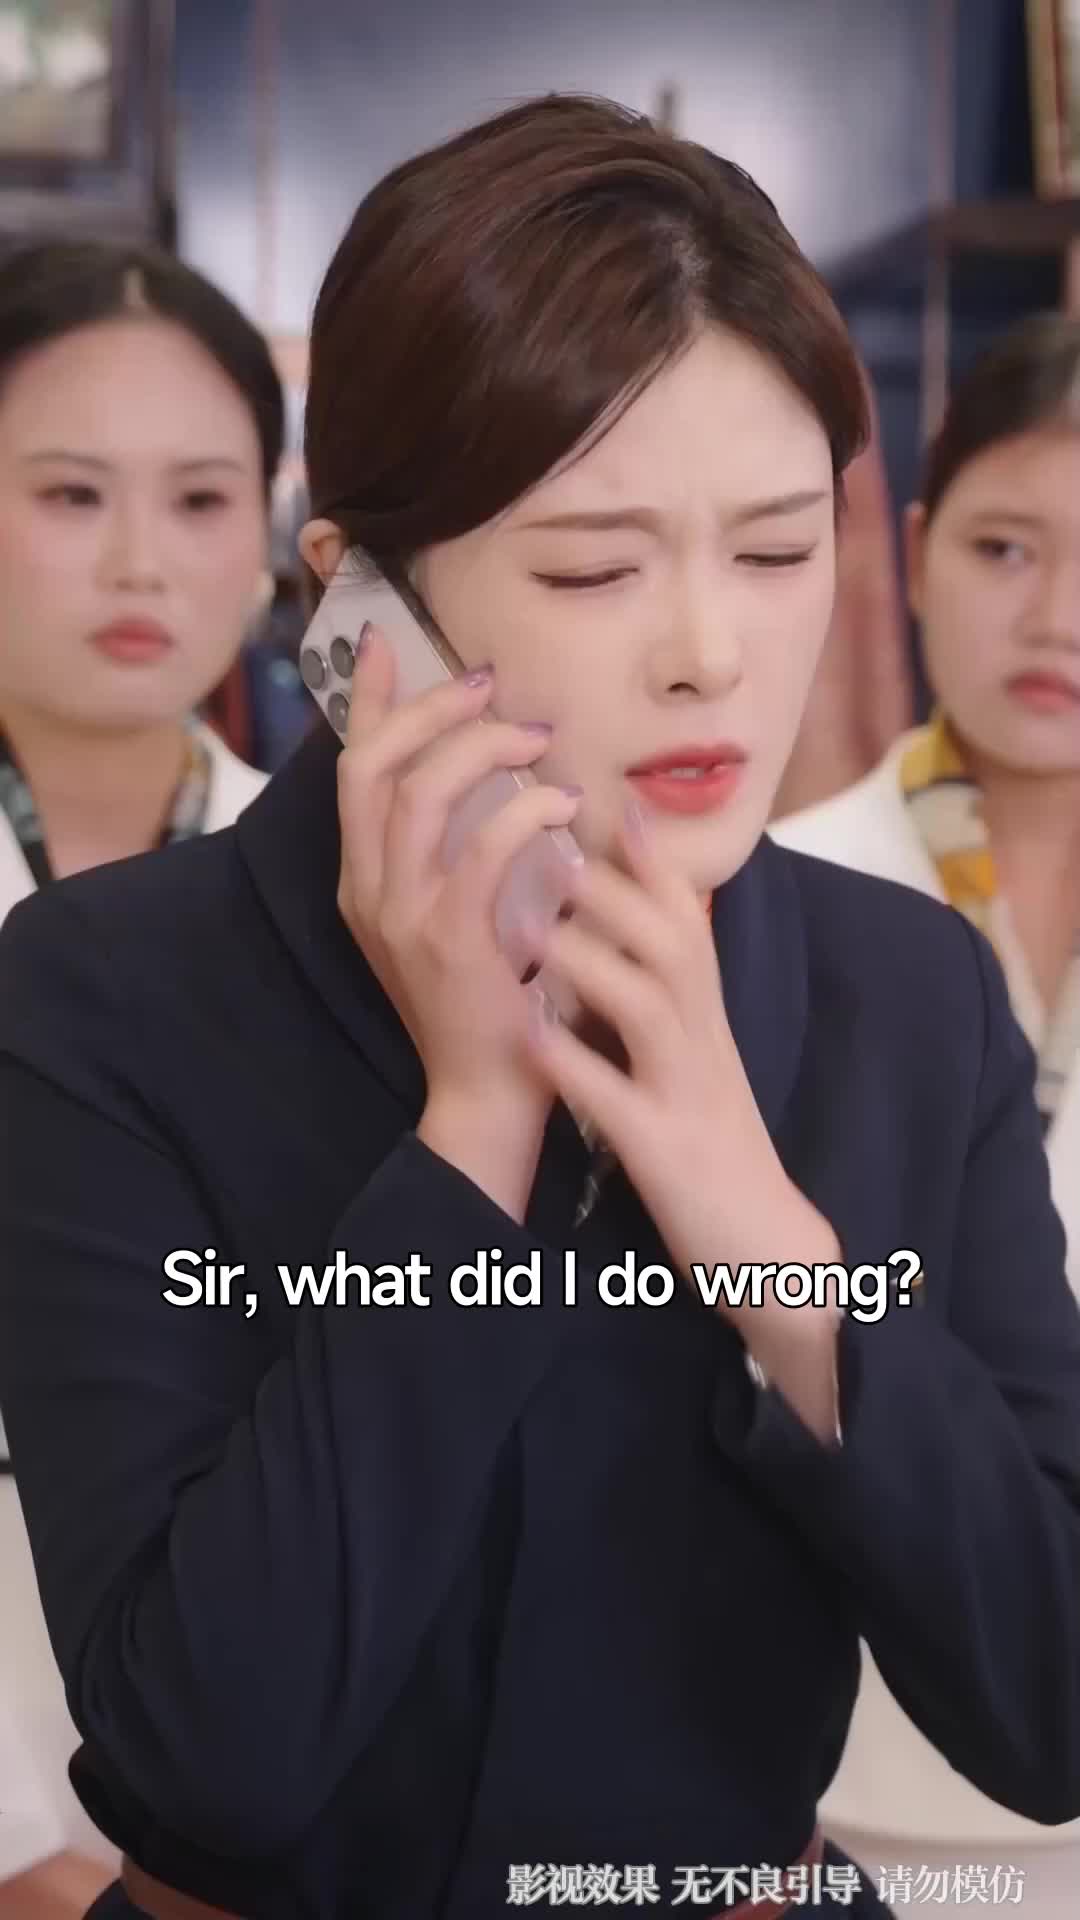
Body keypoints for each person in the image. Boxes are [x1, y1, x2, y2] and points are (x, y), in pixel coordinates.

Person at [0, 97, 1079, 1920]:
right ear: (361, 605)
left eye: (776, 550)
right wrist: (475, 1129)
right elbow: (211, 1752)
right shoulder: (104, 995)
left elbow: (1052, 1708)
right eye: (596, 568)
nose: (711, 654)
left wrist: (775, 1255)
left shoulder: (908, 999)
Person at [769, 313, 1080, 1917]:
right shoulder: (767, 901)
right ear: (909, 552)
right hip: (837, 1766)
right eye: (1007, 547)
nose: (1059, 616)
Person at [0, 237, 283, 1917]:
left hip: (270, 1777)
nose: (139, 563)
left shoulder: (364, 895)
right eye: (68, 494)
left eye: (199, 500)